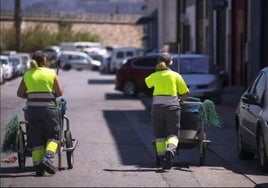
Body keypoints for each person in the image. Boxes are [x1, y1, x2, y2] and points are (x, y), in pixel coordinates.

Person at [17, 51, 63, 176]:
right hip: (49, 110)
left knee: (36, 138)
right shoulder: (51, 73)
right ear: (44, 60)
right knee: (54, 136)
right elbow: (59, 93)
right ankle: (48, 160)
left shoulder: (27, 74)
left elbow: (20, 93)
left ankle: (38, 166)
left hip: (32, 111)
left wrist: (32, 96)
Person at [145, 52, 189, 170]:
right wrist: (180, 101)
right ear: (171, 63)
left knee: (159, 135)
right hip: (173, 108)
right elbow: (185, 93)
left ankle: (162, 159)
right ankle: (170, 149)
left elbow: (147, 83)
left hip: (157, 108)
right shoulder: (175, 75)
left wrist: (157, 73)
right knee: (173, 133)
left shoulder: (154, 76)